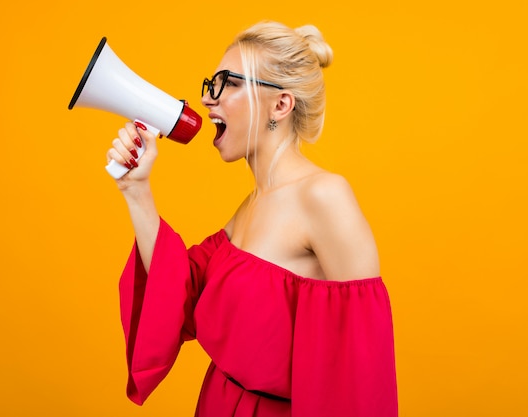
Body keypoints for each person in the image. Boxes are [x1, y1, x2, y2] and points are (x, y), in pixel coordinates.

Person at [106, 21, 398, 417]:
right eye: (213, 83)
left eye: (230, 83)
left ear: (281, 105)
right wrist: (136, 191)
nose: (210, 100)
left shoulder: (325, 196)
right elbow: (182, 292)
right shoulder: (253, 204)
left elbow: (361, 367)